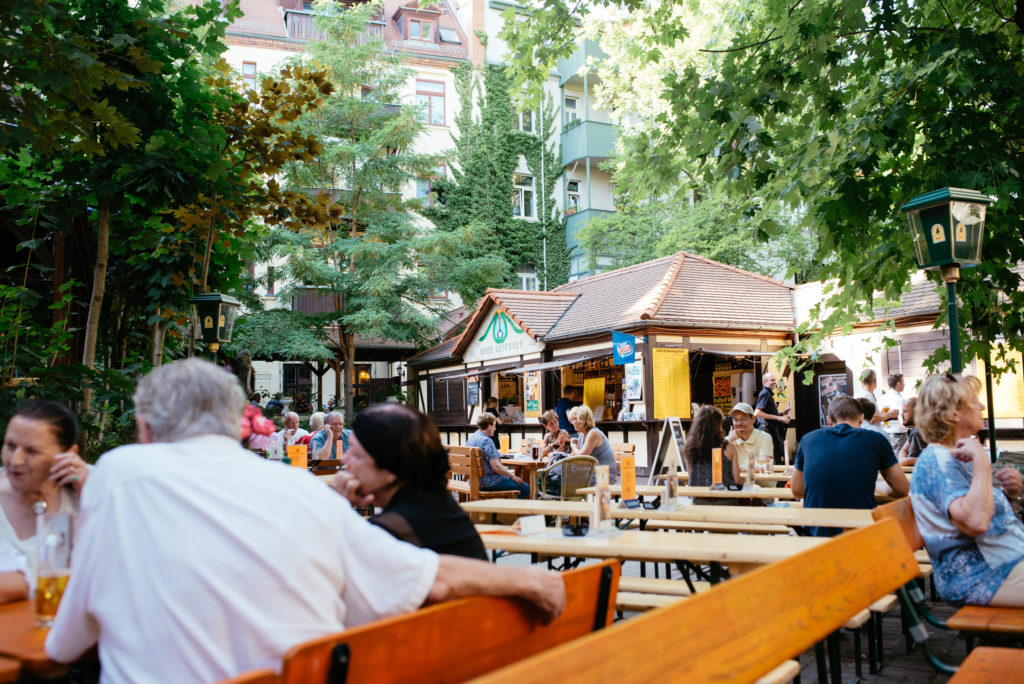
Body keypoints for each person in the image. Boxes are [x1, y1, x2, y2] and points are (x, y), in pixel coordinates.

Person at [45, 359, 565, 683]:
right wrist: (532, 580)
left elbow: (64, 645)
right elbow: (431, 576)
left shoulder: (118, 473)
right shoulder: (301, 491)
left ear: (144, 429)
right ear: (238, 427)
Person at [910, 374, 1024, 607]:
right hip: (982, 576)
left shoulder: (957, 454)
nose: (981, 406)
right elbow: (975, 522)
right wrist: (982, 460)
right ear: (953, 413)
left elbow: (984, 517)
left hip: (1006, 564)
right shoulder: (938, 460)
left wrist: (1010, 496)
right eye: (974, 400)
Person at [330, 404, 486, 560]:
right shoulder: (441, 508)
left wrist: (336, 508)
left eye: (356, 454)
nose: (345, 459)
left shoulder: (388, 533)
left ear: (391, 468)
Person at [791, 395, 909, 536]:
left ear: (829, 420)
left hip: (816, 535)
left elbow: (797, 489)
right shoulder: (876, 440)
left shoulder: (808, 439)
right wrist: (877, 488)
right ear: (861, 418)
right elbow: (903, 489)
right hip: (860, 534)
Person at [0, 400, 91, 583]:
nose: (15, 461)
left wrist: (92, 497)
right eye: (10, 446)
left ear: (69, 453)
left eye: (32, 451)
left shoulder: (90, 490)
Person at [465, 413, 530, 498]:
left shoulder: (472, 439)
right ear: (489, 426)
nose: (495, 429)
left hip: (474, 481)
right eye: (494, 425)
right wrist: (512, 476)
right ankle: (510, 510)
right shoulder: (486, 441)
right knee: (525, 487)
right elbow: (496, 467)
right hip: (489, 482)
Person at [683, 406, 737, 491]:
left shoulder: (689, 447)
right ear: (719, 425)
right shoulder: (728, 447)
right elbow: (736, 480)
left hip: (697, 499)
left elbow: (691, 476)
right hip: (725, 499)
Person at [724, 403, 774, 486]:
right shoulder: (730, 440)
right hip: (738, 488)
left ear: (753, 419)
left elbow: (762, 465)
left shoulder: (764, 437)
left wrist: (738, 469)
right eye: (736, 420)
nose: (739, 423)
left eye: (743, 419)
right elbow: (717, 464)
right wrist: (728, 439)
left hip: (763, 488)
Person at [569, 405, 619, 485]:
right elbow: (574, 458)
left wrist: (573, 446)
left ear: (581, 420)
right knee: (565, 477)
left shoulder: (593, 433)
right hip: (593, 472)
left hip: (603, 474)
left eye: (573, 419)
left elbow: (582, 458)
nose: (571, 422)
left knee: (568, 481)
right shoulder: (582, 435)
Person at [754, 372, 789, 465]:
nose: (775, 382)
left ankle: (778, 479)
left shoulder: (768, 393)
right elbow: (758, 412)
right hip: (767, 430)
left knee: (777, 456)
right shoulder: (765, 393)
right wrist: (778, 418)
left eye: (775, 380)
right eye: (772, 380)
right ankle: (776, 479)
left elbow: (768, 413)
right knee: (773, 458)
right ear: (765, 382)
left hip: (771, 429)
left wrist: (782, 413)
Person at [879, 373, 908, 451]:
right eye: (903, 381)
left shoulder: (881, 399)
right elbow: (903, 421)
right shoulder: (900, 399)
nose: (904, 384)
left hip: (885, 433)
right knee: (899, 460)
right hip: (898, 436)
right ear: (898, 384)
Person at [898, 397, 927, 465]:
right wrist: (903, 460)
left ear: (917, 412)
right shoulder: (914, 430)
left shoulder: (920, 432)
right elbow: (903, 450)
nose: (901, 415)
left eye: (905, 411)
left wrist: (906, 461)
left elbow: (931, 459)